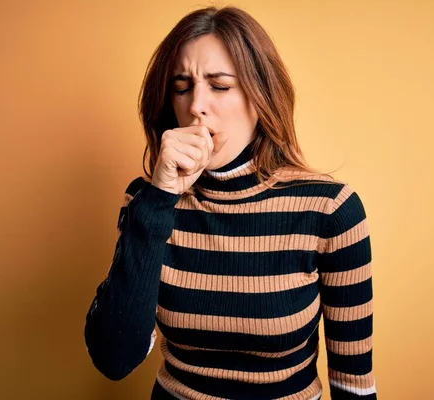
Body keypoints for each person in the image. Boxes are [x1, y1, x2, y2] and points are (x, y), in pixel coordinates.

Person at [84, 5, 377, 400]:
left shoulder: (330, 211)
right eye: (182, 86)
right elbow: (113, 359)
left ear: (260, 95)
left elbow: (353, 385)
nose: (196, 106)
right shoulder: (147, 201)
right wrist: (158, 199)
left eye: (220, 86)